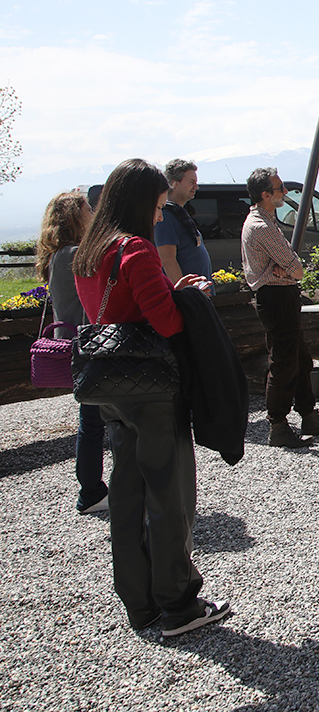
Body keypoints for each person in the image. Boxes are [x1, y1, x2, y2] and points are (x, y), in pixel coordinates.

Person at [71, 158, 230, 638]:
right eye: (159, 206)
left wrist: (169, 289)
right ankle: (179, 604)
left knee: (127, 494)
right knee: (170, 496)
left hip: (109, 387)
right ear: (142, 203)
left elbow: (119, 309)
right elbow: (166, 323)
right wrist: (190, 298)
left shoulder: (89, 251)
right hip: (152, 388)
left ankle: (140, 604)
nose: (161, 216)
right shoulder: (136, 249)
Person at [241, 167, 319, 447]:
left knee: (299, 358)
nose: (285, 192)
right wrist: (286, 270)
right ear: (265, 194)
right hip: (275, 297)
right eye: (279, 188)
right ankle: (278, 424)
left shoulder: (262, 221)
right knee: (284, 362)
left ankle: (308, 414)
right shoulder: (262, 226)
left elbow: (290, 267)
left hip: (278, 296)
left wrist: (285, 269)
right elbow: (297, 269)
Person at [36, 191, 109, 514]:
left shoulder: (56, 256)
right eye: (87, 209)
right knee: (94, 423)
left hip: (74, 343)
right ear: (74, 218)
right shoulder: (75, 255)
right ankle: (91, 492)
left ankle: (93, 490)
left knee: (91, 420)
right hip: (87, 346)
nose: (92, 213)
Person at [155, 159, 214, 294]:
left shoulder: (179, 214)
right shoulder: (166, 217)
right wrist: (187, 294)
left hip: (198, 293)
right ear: (174, 184)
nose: (196, 187)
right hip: (189, 297)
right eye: (191, 182)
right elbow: (168, 260)